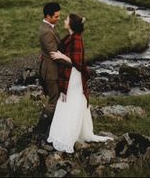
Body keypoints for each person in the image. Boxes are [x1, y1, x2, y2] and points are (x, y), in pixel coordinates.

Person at [47, 13, 112, 153]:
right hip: (70, 76)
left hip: (74, 77)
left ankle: (67, 137)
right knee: (67, 102)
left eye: (66, 20)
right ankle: (62, 133)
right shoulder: (70, 37)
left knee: (71, 103)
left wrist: (61, 56)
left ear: (71, 24)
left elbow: (77, 63)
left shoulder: (76, 39)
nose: (64, 21)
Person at [34, 2, 67, 137]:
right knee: (54, 100)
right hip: (51, 71)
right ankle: (40, 129)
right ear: (48, 16)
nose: (59, 18)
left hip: (50, 69)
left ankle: (52, 126)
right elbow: (54, 54)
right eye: (56, 16)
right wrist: (73, 63)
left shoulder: (49, 27)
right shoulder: (46, 32)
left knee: (55, 98)